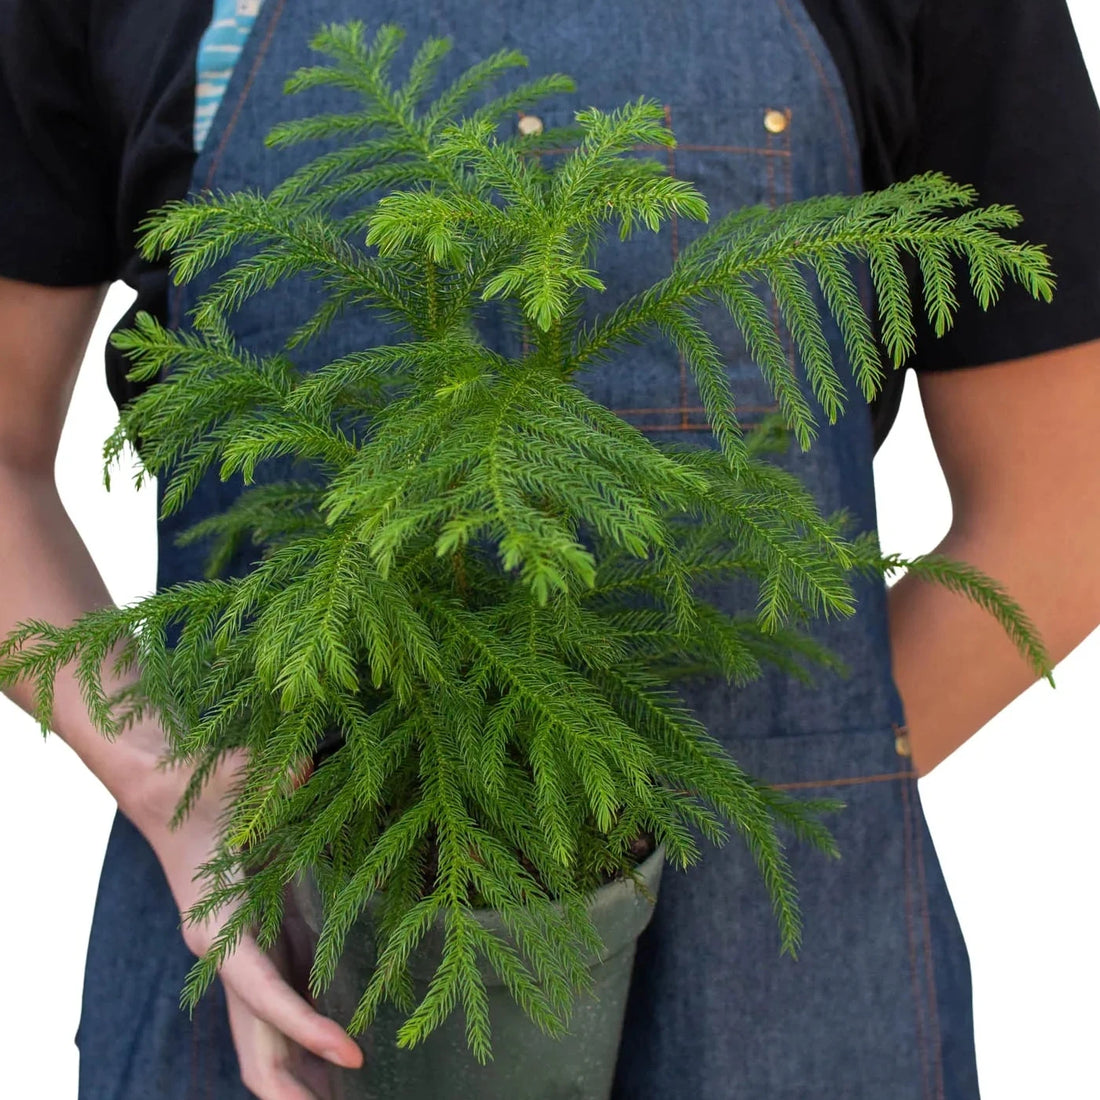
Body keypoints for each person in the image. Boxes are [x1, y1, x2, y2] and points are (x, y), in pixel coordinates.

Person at [2, 1, 1099, 1097]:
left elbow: (1066, 504)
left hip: (789, 968)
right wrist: (169, 781)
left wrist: (770, 785)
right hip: (280, 930)